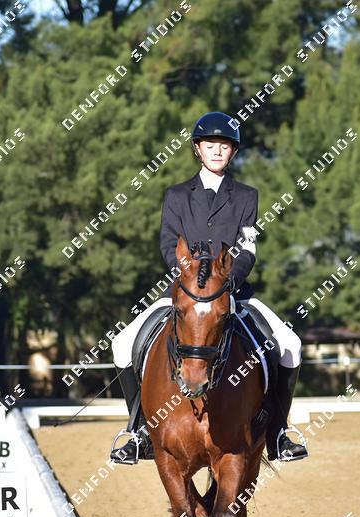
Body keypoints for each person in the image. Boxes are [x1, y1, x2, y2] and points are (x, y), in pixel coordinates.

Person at [109, 111, 308, 465]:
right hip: (185, 293)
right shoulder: (176, 195)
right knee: (121, 344)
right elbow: (168, 244)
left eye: (225, 146)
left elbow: (247, 249)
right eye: (210, 144)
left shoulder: (246, 196)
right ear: (197, 149)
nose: (217, 150)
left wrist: (226, 283)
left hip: (232, 293)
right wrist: (190, 279)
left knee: (290, 346)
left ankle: (279, 433)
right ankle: (138, 431)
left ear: (233, 152)